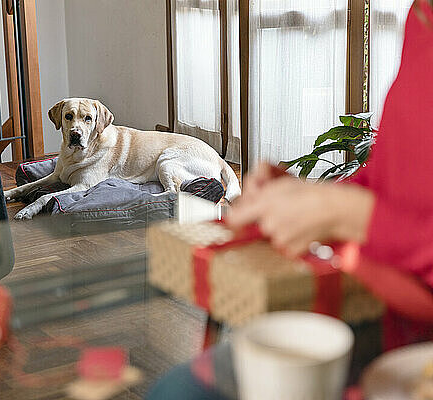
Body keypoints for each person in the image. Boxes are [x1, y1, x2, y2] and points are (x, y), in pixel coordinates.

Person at [147, 0, 433, 398]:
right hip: (390, 319)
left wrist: (350, 216)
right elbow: (393, 181)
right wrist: (304, 197)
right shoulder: (423, 16)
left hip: (409, 338)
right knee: (178, 389)